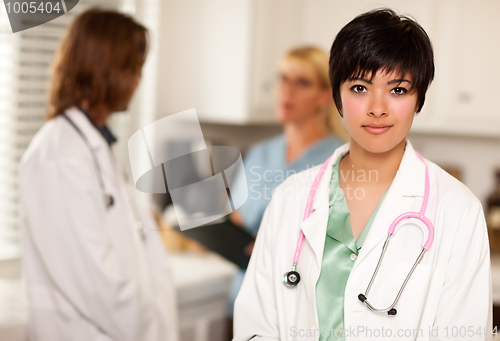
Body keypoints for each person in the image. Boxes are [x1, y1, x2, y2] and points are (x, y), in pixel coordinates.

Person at [233, 8, 492, 341]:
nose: (377, 107)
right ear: (337, 94)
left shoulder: (458, 211)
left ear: (419, 99)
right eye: (359, 87)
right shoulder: (290, 197)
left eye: (398, 90)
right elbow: (256, 326)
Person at [19, 8, 179, 341]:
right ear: (108, 70)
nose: (138, 80)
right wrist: (152, 329)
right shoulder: (59, 155)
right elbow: (95, 279)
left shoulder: (94, 145)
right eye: (134, 68)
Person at [227, 46, 345, 319]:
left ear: (325, 96)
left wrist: (275, 247)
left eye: (302, 83)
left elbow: (339, 246)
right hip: (243, 301)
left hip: (296, 313)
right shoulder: (259, 153)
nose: (286, 91)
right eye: (282, 79)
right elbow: (237, 220)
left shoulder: (339, 161)